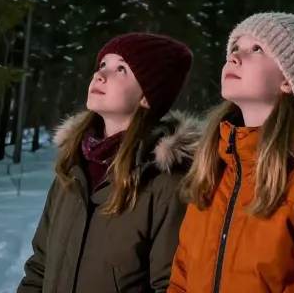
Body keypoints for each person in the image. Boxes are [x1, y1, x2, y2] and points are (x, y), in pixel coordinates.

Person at [168, 12, 294, 292]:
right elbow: (181, 279)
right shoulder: (215, 167)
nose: (234, 57)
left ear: (288, 80)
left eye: (256, 49)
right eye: (235, 47)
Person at [17, 32, 198, 293]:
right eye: (102, 64)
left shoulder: (165, 184)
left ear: (147, 96)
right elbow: (39, 267)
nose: (100, 74)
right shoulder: (72, 169)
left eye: (121, 69)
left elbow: (170, 285)